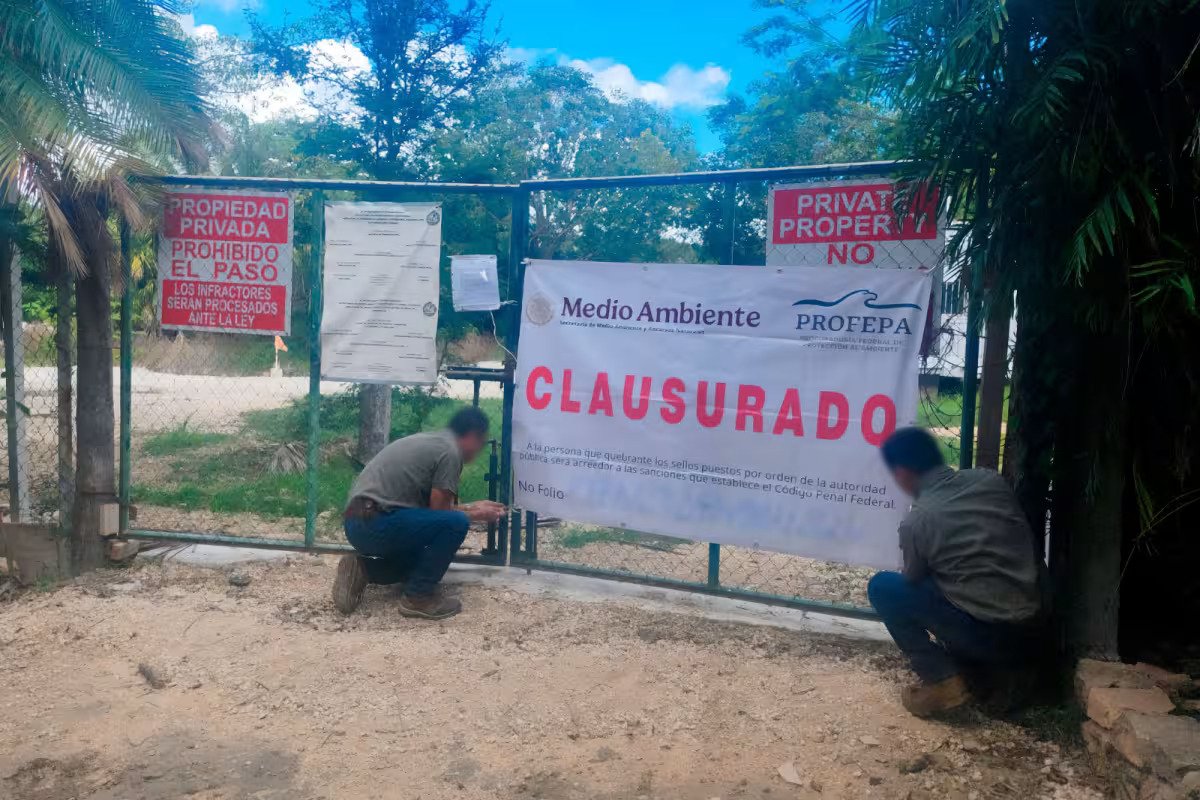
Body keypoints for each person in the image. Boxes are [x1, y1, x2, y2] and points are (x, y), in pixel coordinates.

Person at [868, 427, 1044, 717]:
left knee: (884, 587)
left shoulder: (918, 520)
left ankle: (943, 679)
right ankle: (999, 674)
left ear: (901, 474)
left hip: (987, 636)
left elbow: (913, 579)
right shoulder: (990, 481)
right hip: (1034, 628)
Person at [333, 406, 506, 620]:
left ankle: (363, 569)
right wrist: (473, 514)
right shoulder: (450, 452)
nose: (479, 449)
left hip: (357, 523)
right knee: (456, 523)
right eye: (481, 442)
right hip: (377, 524)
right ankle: (418, 598)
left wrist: (471, 506)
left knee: (421, 563)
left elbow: (434, 513)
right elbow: (442, 515)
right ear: (472, 436)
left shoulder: (433, 441)